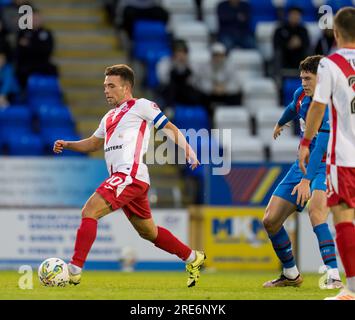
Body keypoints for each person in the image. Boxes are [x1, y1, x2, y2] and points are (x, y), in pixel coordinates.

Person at [53, 64, 206, 288]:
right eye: (105, 86)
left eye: (111, 86)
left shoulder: (141, 106)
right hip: (127, 179)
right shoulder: (108, 117)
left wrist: (188, 150)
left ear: (126, 88)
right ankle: (193, 257)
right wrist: (68, 144)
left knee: (89, 211)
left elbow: (168, 126)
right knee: (149, 232)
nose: (106, 90)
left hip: (130, 174)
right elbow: (93, 144)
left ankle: (74, 271)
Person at [262, 55, 343, 289]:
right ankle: (290, 274)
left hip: (327, 166)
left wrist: (307, 181)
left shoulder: (329, 105)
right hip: (302, 165)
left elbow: (321, 145)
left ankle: (334, 275)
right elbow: (291, 109)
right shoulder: (300, 95)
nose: (304, 83)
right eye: (302, 78)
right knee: (270, 220)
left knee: (316, 213)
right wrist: (280, 123)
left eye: (308, 78)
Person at [299, 7, 355, 300]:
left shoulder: (329, 64)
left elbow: (318, 107)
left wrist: (306, 142)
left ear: (336, 32)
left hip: (345, 156)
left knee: (344, 214)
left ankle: (352, 290)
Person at [15, 8, 57, 89]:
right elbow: (20, 51)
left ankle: (54, 92)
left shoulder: (47, 33)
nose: (35, 21)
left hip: (42, 63)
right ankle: (23, 92)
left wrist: (30, 45)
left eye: (37, 18)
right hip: (27, 63)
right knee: (20, 71)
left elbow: (47, 50)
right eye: (33, 19)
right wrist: (37, 46)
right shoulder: (23, 32)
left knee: (53, 69)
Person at [273, 7, 310, 79]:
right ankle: (278, 79)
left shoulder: (303, 30)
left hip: (299, 58)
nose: (295, 17)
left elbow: (307, 44)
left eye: (297, 15)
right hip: (285, 58)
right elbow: (276, 44)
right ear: (288, 15)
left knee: (308, 54)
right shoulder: (280, 29)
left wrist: (300, 43)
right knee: (278, 54)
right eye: (293, 14)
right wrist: (288, 44)